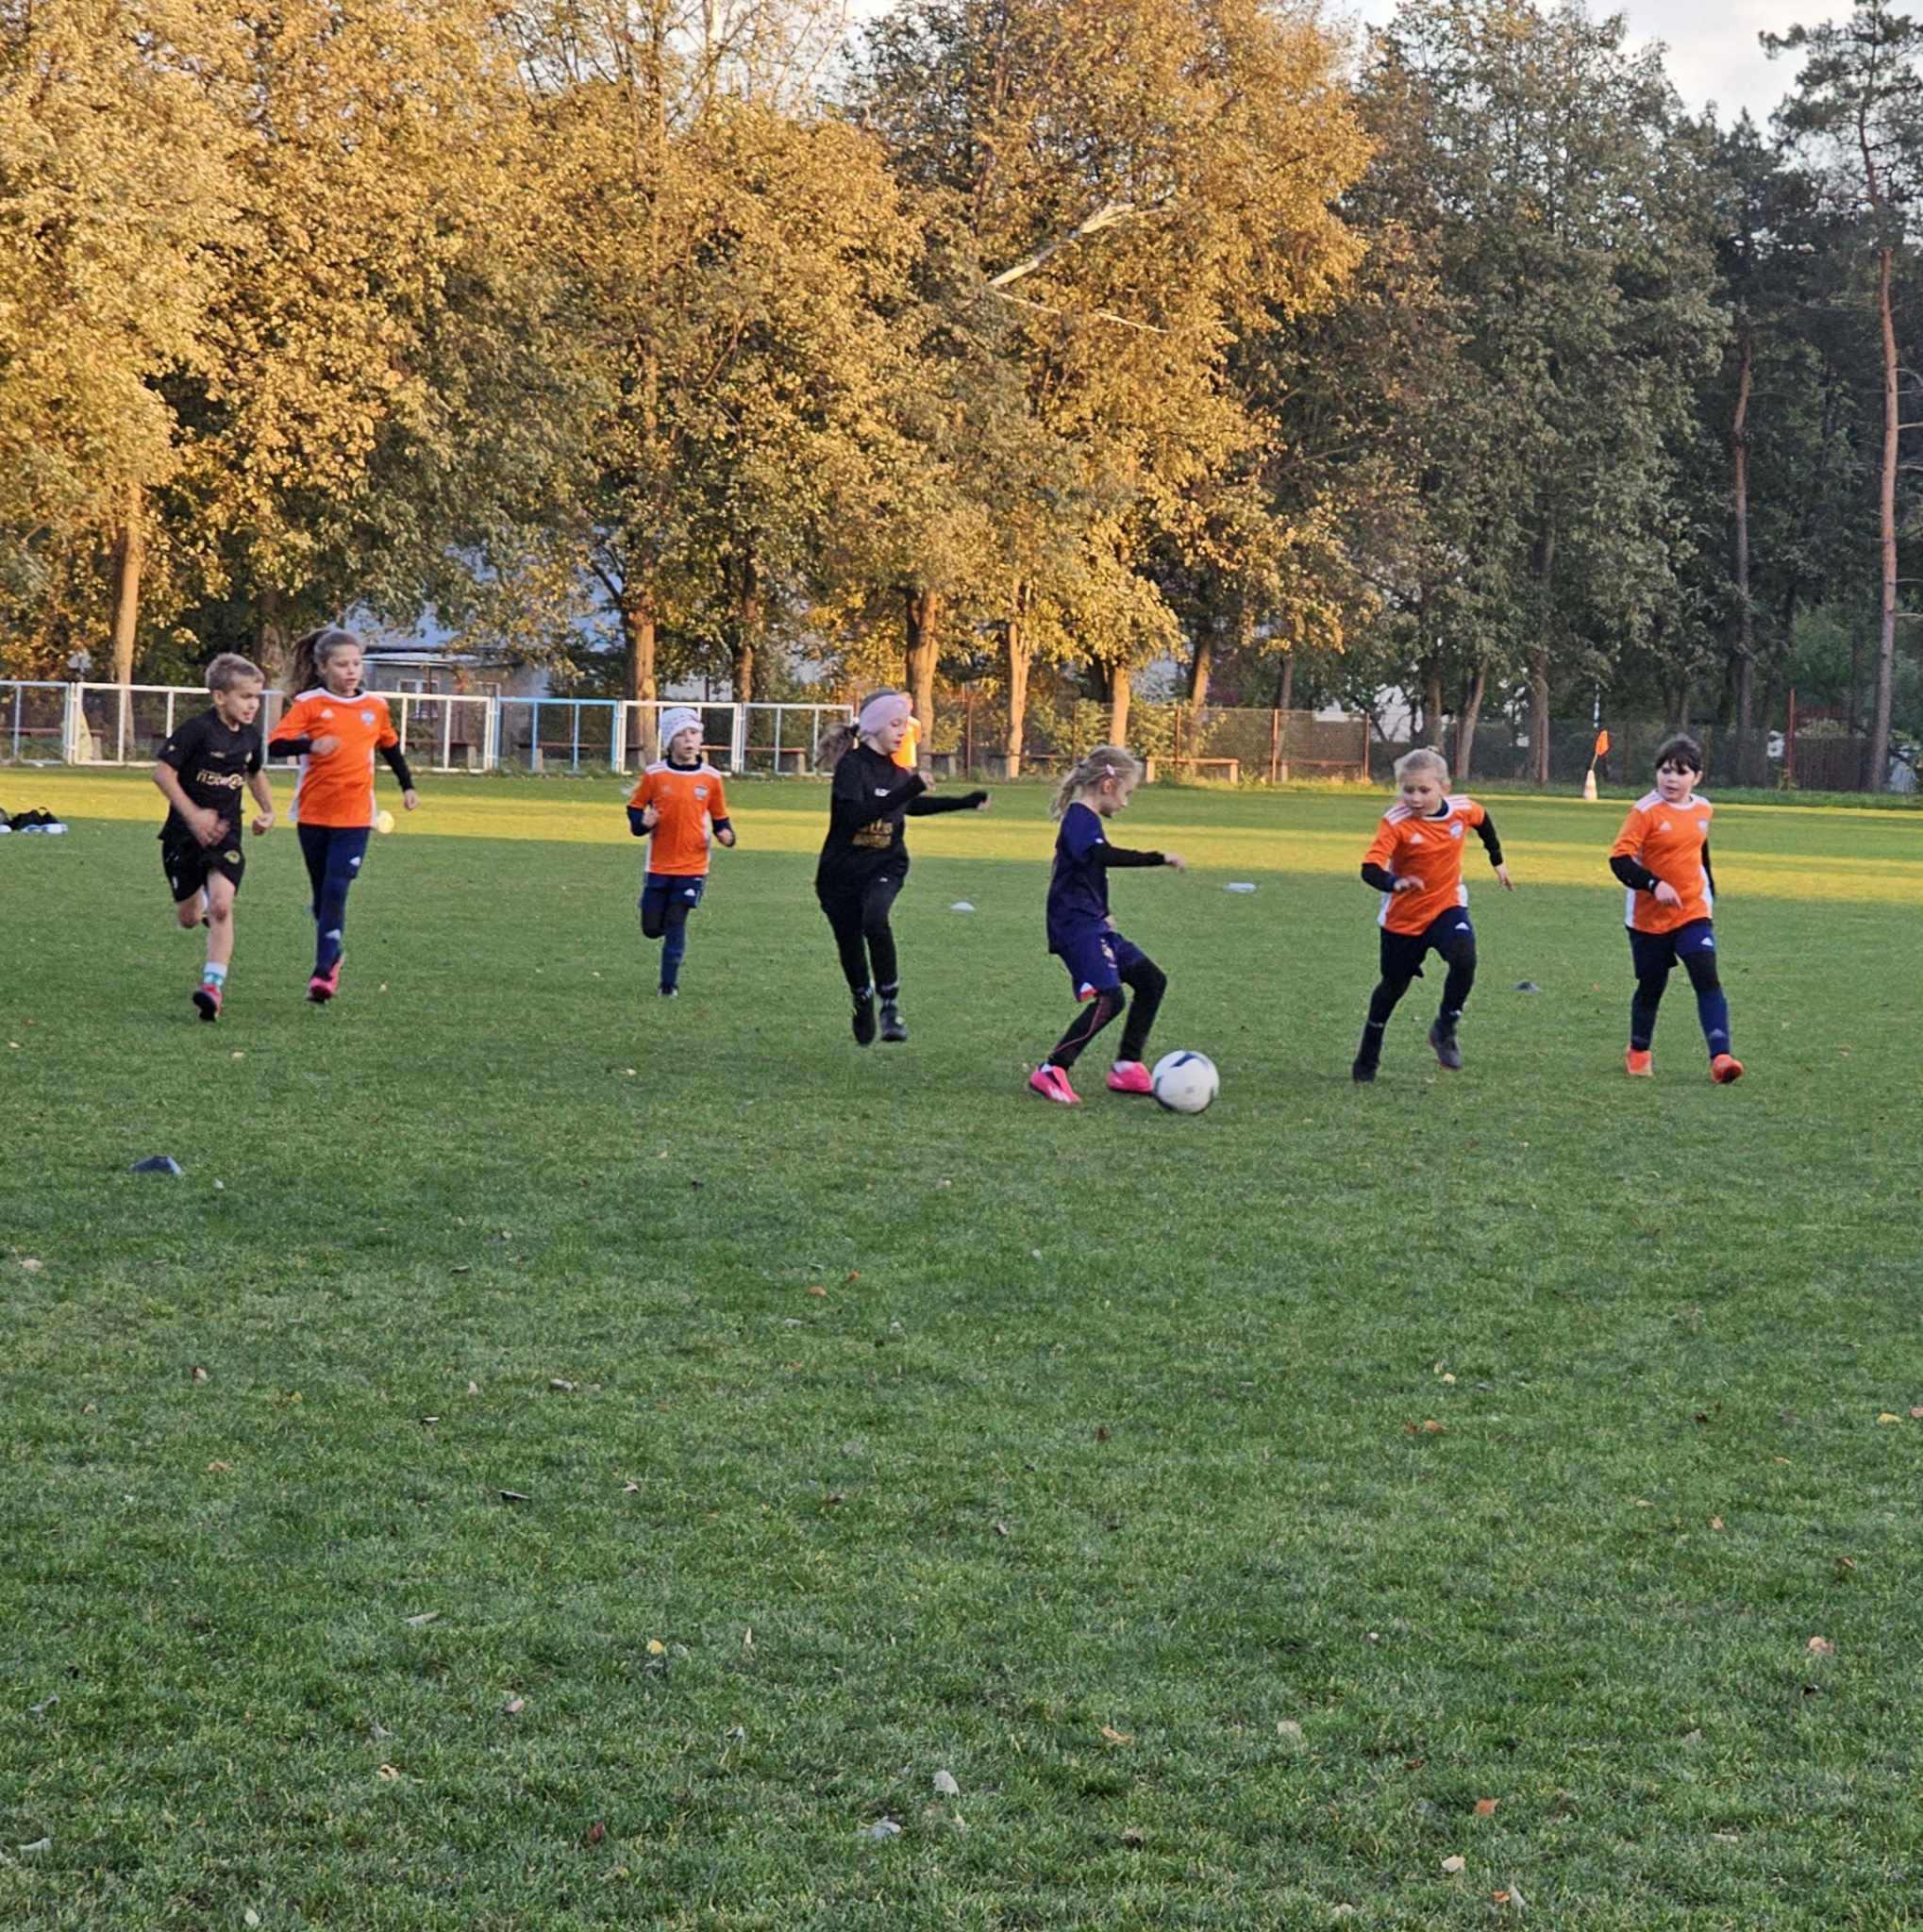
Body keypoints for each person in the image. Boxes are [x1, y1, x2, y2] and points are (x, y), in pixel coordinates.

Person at [814, 691, 987, 1044]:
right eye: (895, 725)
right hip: (840, 874)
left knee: (875, 919)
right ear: (875, 726)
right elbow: (853, 818)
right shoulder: (852, 768)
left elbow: (910, 806)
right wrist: (908, 789)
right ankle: (862, 996)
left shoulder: (897, 773)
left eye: (904, 725)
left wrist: (964, 802)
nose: (902, 732)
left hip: (886, 864)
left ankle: (889, 1006)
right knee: (850, 942)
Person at [266, 626, 418, 1002]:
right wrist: (311, 744)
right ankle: (333, 953)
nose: (351, 671)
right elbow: (275, 745)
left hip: (356, 816)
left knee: (336, 889)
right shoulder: (309, 704)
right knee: (322, 898)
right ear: (323, 667)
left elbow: (390, 747)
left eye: (356, 663)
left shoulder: (375, 707)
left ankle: (322, 974)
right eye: (342, 664)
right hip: (313, 814)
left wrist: (407, 786)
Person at [1028, 746, 1185, 1106]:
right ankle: (1053, 1068)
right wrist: (1157, 858)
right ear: (1107, 785)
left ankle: (1127, 1066)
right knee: (1111, 998)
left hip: (1093, 924)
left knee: (1151, 981)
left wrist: (1103, 911)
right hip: (1076, 928)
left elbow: (1084, 873)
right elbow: (1100, 856)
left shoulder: (1087, 820)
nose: (1126, 803)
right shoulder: (1079, 818)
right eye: (1127, 793)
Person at [1351, 746, 1512, 1083]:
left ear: (1444, 788)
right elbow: (1369, 868)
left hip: (1446, 905)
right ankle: (1368, 1053)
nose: (1415, 797)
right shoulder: (1395, 822)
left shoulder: (1462, 809)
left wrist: (1497, 860)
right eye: (1408, 789)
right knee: (1392, 988)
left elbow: (1484, 821)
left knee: (1464, 956)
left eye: (1424, 790)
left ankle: (1445, 1027)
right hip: (1403, 919)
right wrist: (1395, 883)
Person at [1609, 734, 1742, 1083]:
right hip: (1647, 920)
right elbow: (1619, 860)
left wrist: (1709, 891)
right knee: (1652, 986)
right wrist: (1655, 884)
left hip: (1692, 911)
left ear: (1696, 777)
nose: (1671, 778)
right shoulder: (1644, 812)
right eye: (1665, 770)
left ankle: (1721, 1057)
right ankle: (1638, 1050)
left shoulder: (1703, 809)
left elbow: (1699, 849)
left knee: (1705, 974)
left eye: (1681, 772)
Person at [150, 654, 276, 1021]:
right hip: (182, 837)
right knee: (190, 917)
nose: (253, 705)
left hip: (226, 835)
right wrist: (193, 816)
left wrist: (267, 810)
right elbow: (162, 774)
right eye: (245, 697)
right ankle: (199, 904)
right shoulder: (196, 730)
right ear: (220, 697)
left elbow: (254, 773)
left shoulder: (250, 736)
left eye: (257, 697)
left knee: (222, 906)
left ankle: (212, 987)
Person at [627, 706, 734, 996]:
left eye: (694, 733)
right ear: (669, 742)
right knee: (651, 928)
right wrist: (642, 823)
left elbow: (720, 817)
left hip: (693, 866)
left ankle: (668, 986)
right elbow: (635, 809)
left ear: (701, 739)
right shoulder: (655, 775)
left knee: (676, 922)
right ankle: (654, 913)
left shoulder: (711, 778)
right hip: (658, 865)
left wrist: (726, 834)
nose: (688, 740)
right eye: (681, 735)